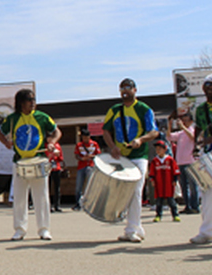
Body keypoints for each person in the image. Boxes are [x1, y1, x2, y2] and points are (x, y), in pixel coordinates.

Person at [0, 89, 61, 241]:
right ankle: (20, 229)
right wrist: (6, 143)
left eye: (34, 99)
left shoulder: (42, 117)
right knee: (19, 197)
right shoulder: (12, 119)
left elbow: (57, 131)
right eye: (28, 100)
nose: (32, 103)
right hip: (20, 161)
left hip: (39, 159)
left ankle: (44, 229)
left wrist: (51, 142)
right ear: (20, 103)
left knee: (42, 196)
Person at [102, 78, 158, 243]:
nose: (125, 91)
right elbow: (106, 131)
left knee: (135, 191)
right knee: (125, 193)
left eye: (128, 88)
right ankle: (136, 227)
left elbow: (154, 132)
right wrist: (112, 146)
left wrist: (140, 140)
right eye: (122, 88)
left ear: (135, 90)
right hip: (121, 156)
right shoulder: (114, 110)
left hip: (139, 156)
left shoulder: (143, 109)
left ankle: (132, 229)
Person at [191, 74, 212, 244]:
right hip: (208, 153)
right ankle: (206, 232)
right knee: (207, 192)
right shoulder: (201, 109)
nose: (209, 89)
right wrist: (196, 145)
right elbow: (198, 128)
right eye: (207, 86)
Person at [167, 111, 198, 214]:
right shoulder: (180, 134)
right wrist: (170, 125)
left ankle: (195, 206)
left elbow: (193, 138)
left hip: (190, 161)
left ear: (191, 122)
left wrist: (183, 127)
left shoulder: (192, 131)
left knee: (193, 185)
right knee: (184, 186)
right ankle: (187, 206)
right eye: (183, 121)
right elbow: (169, 137)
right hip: (180, 162)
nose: (184, 123)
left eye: (186, 121)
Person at [148, 140, 180, 222]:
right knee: (159, 201)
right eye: (157, 149)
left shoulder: (170, 160)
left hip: (168, 183)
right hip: (159, 184)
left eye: (160, 149)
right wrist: (152, 180)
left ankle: (175, 215)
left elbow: (175, 170)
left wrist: (175, 180)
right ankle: (158, 215)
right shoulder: (155, 161)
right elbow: (152, 172)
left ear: (165, 149)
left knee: (171, 200)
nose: (158, 151)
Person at [73, 128, 100, 210]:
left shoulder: (94, 144)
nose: (85, 139)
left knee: (90, 185)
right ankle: (78, 203)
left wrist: (90, 157)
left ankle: (90, 203)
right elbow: (76, 155)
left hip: (91, 166)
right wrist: (82, 159)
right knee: (78, 186)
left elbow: (98, 155)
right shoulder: (79, 145)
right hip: (81, 166)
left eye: (87, 137)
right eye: (84, 138)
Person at [47, 140, 64, 212]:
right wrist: (49, 156)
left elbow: (61, 158)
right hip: (48, 168)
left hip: (56, 168)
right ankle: (48, 206)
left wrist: (58, 155)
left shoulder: (57, 145)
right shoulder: (45, 145)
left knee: (57, 188)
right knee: (48, 188)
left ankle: (57, 205)